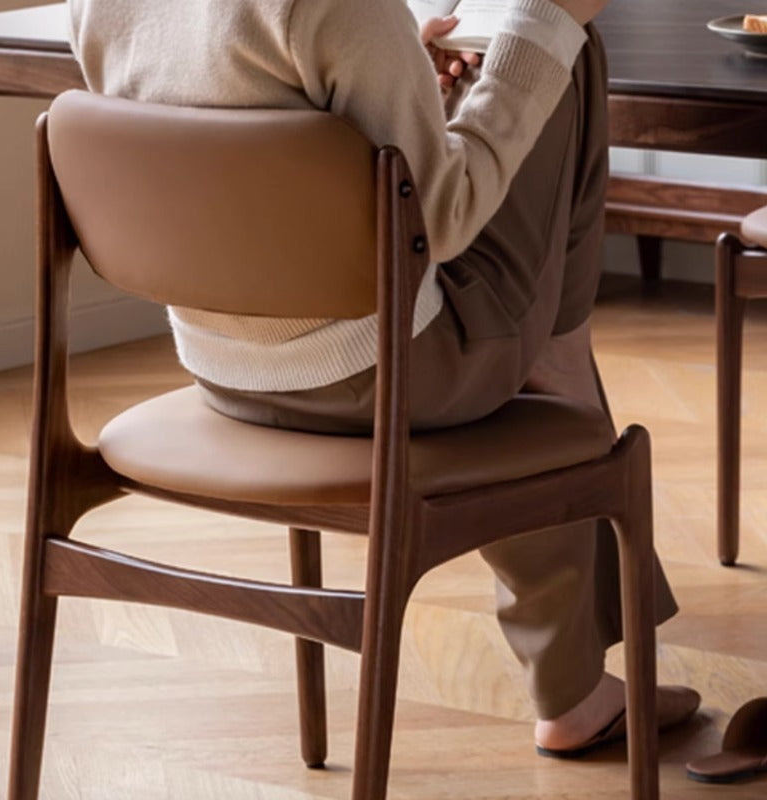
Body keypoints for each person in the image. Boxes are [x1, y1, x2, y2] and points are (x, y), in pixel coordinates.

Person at [67, 0, 699, 755]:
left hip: (221, 363)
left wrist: (407, 87)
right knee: (564, 45)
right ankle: (557, 371)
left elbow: (238, 148)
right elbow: (444, 219)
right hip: (395, 373)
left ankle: (552, 378)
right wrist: (545, 27)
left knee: (531, 53)